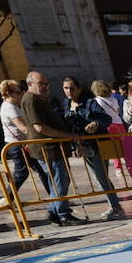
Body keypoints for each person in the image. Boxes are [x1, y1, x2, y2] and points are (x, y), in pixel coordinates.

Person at [20, 70, 83, 226]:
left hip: (53, 148)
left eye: (46, 83)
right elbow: (40, 127)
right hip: (47, 148)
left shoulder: (39, 98)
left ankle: (54, 211)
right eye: (41, 84)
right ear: (30, 84)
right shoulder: (30, 100)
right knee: (60, 181)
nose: (45, 86)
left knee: (59, 181)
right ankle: (62, 214)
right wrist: (66, 136)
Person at [61, 76, 127, 219]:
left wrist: (96, 124)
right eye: (66, 88)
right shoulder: (66, 104)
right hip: (83, 146)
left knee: (101, 177)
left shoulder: (90, 103)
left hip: (97, 145)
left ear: (79, 88)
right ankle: (114, 206)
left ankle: (116, 207)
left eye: (72, 88)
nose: (69, 91)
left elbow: (106, 119)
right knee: (98, 177)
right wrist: (74, 146)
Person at [0, 79, 49, 200]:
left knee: (43, 171)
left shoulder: (14, 105)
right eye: (18, 91)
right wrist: (40, 136)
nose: (21, 93)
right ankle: (7, 197)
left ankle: (57, 198)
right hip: (17, 145)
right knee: (21, 173)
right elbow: (24, 128)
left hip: (26, 143)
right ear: (9, 93)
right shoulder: (9, 107)